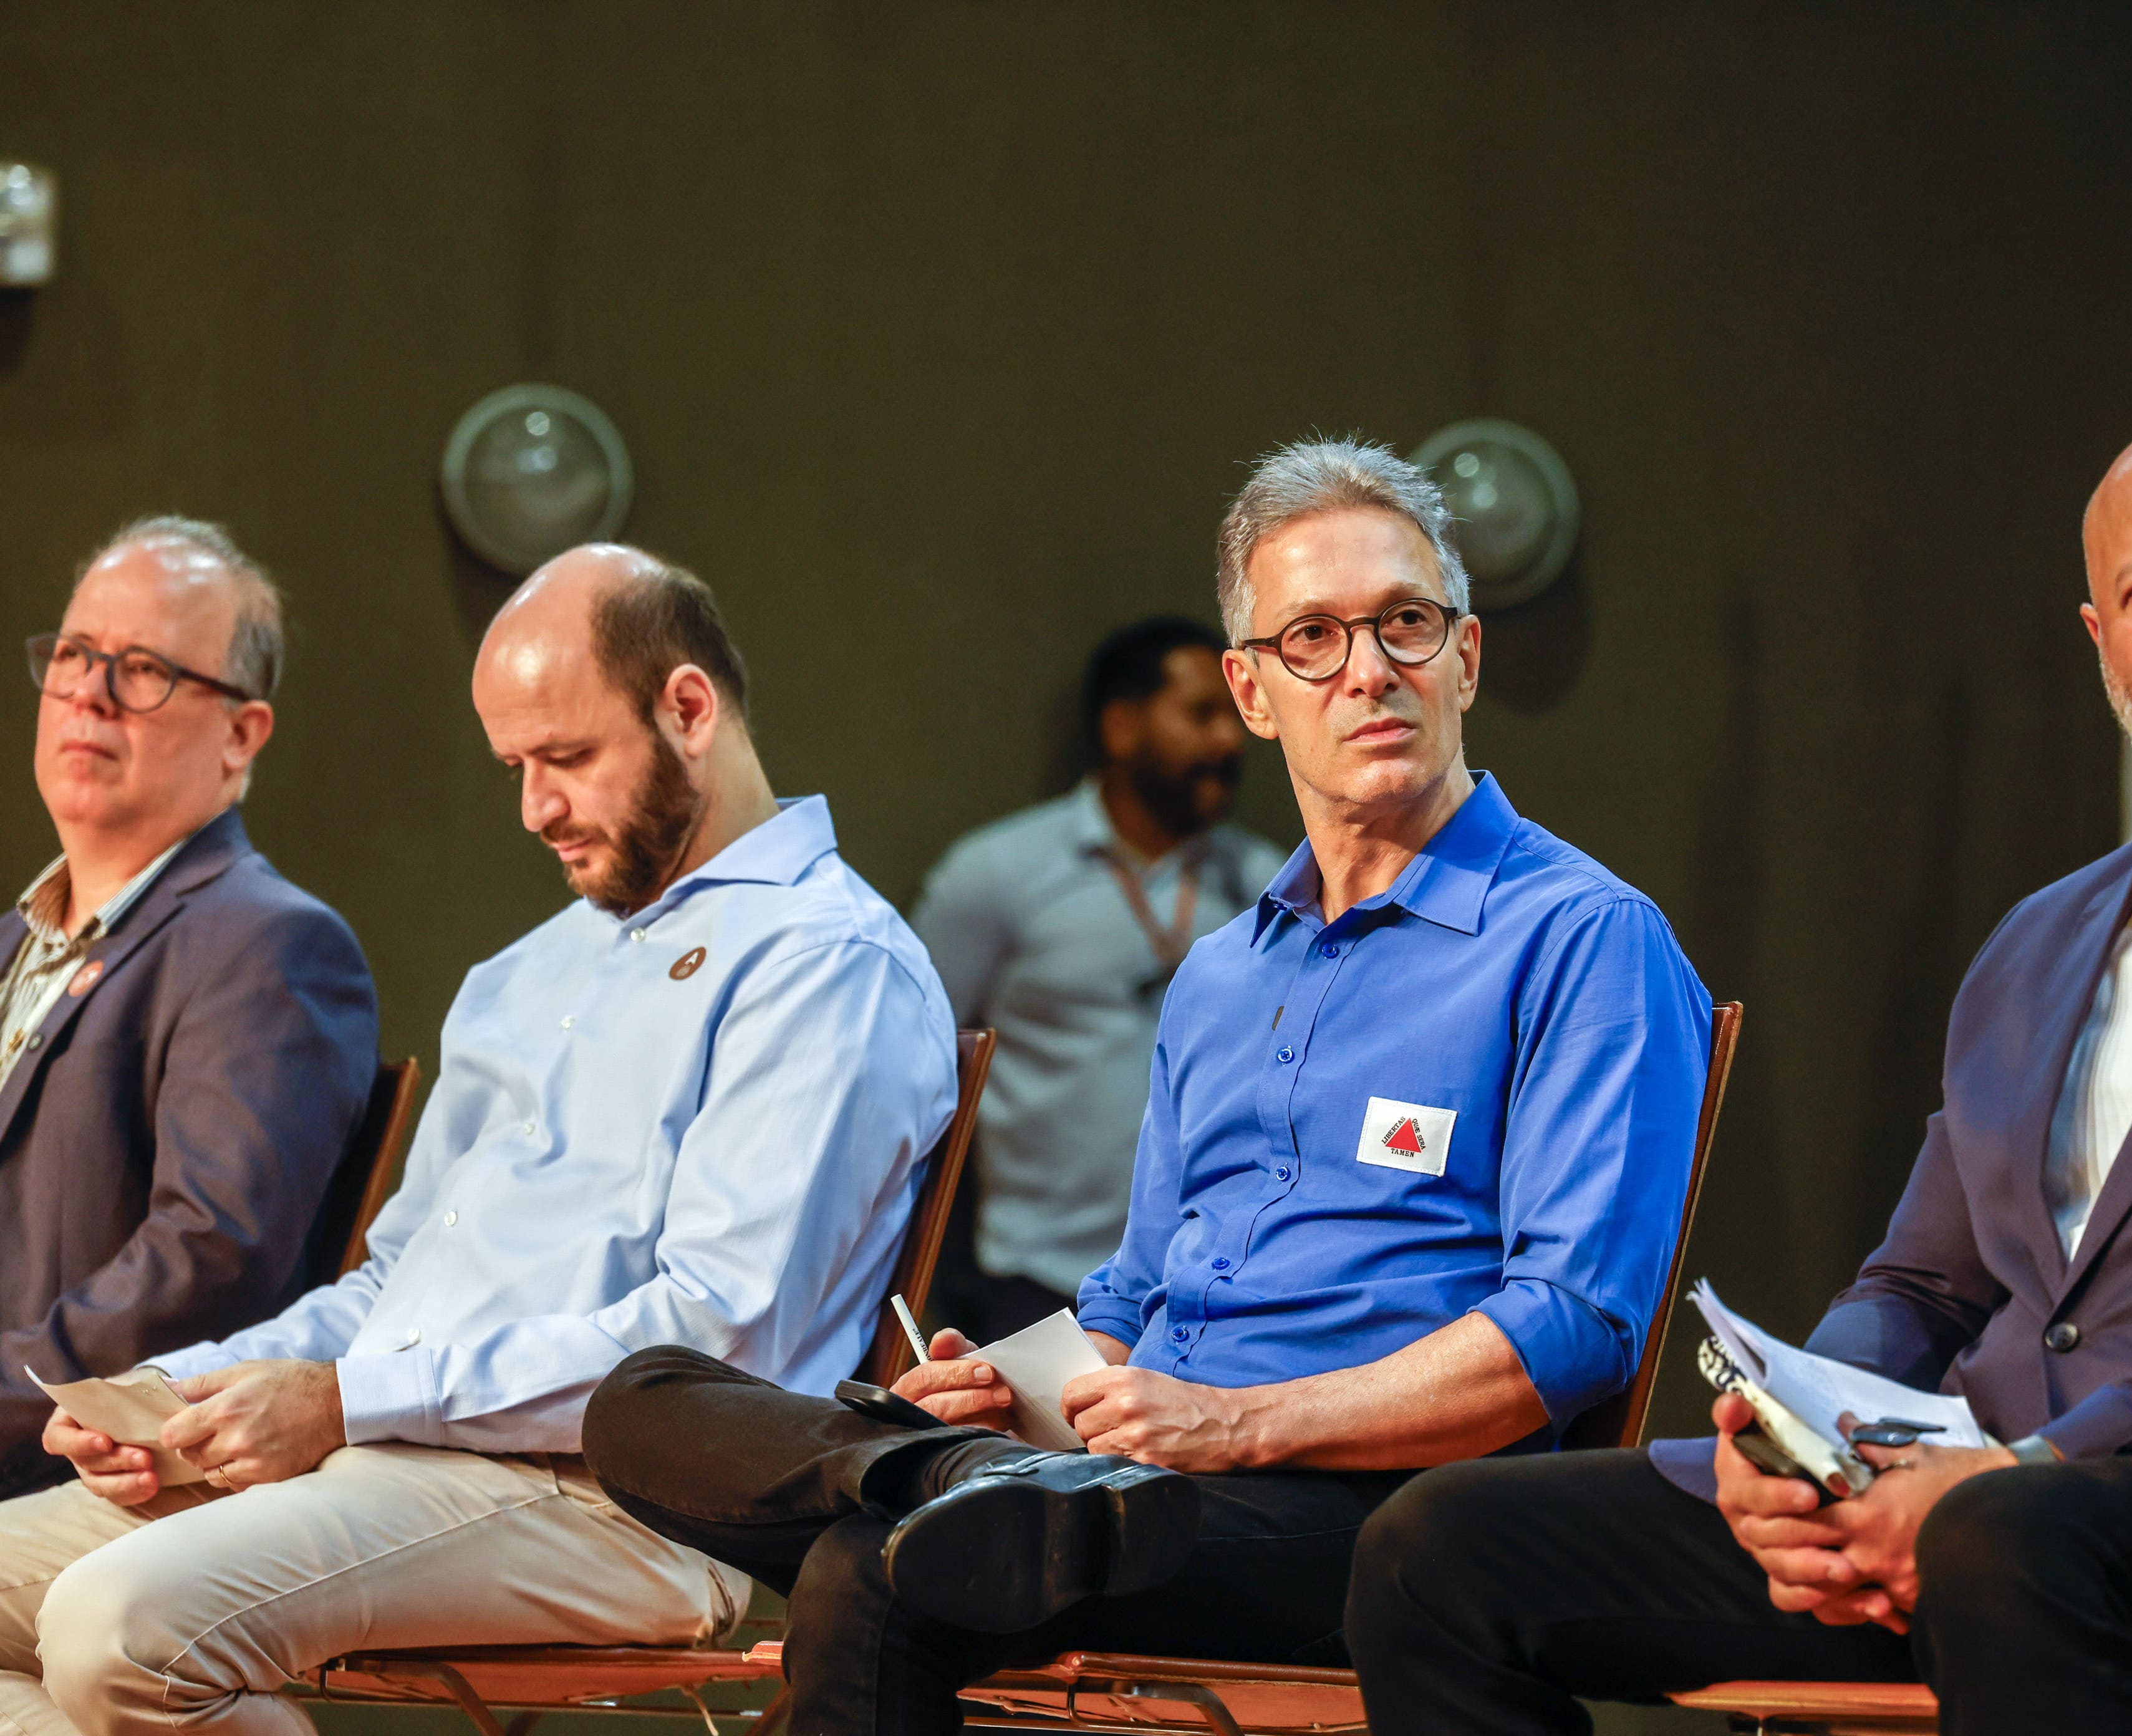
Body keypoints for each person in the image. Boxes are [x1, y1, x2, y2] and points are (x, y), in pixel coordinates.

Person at [1344, 412, 2132, 1736]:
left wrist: (2039, 1466)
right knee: (1441, 1549)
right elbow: (1922, 1285)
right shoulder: (2045, 935)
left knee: (2006, 1545)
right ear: (2102, 638)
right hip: (1984, 1501)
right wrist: (1802, 1442)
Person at [581, 438, 1713, 1734]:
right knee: (645, 1401)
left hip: (1374, 1513)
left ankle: (962, 1490)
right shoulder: (1222, 973)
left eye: (1405, 622)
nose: (1368, 670)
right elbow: (1130, 1300)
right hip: (1132, 1474)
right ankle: (950, 1467)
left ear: (1464, 656)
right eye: (1314, 637)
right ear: (1252, 689)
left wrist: (1234, 1425)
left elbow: (1572, 1325)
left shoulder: (1583, 937)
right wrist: (1005, 1389)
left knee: (876, 1571)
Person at [0, 545, 958, 1736]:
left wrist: (348, 1400)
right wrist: (169, 1392)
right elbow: (392, 1285)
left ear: (688, 708)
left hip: (635, 1503)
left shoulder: (826, 961)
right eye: (515, 766)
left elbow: (719, 1346)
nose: (534, 808)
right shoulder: (524, 971)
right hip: (391, 1454)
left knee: (114, 1626)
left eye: (567, 757)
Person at [1, 518, 376, 1498]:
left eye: (142, 669)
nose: (88, 693)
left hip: (78, 1479)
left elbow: (205, 1264)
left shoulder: (272, 945)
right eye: (74, 655)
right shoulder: (9, 944)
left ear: (241, 734)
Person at [913, 615, 1284, 1343]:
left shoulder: (1267, 883)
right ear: (1121, 727)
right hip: (1040, 1276)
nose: (1230, 741)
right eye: (1202, 714)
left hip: (1215, 1278)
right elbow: (912, 1064)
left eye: (1236, 716)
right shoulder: (998, 874)